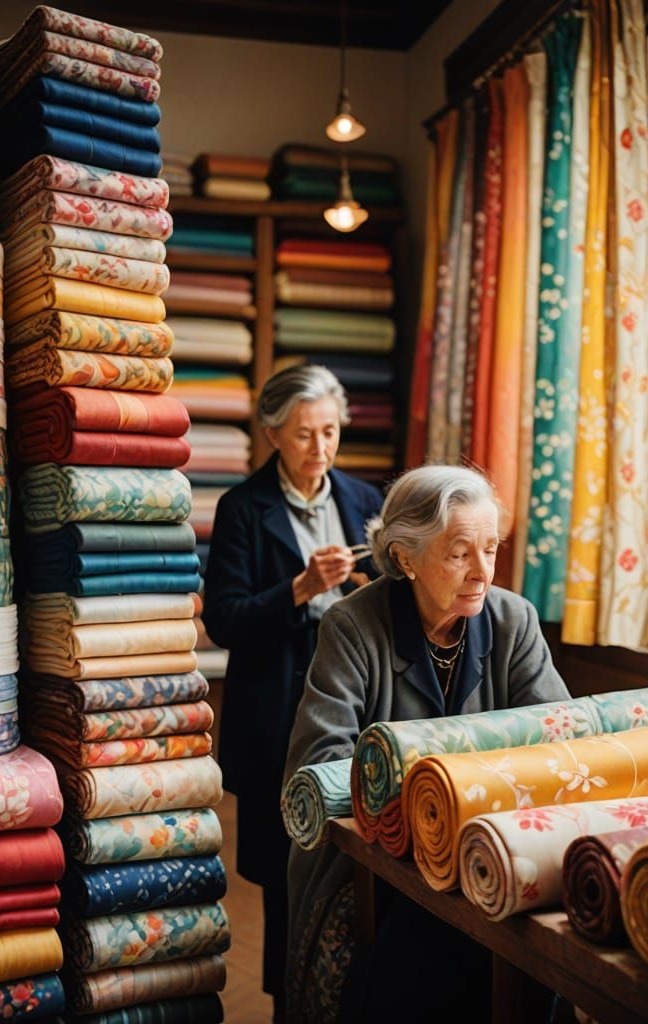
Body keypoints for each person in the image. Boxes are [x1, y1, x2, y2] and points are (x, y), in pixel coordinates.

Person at [282, 464, 571, 1022]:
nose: (483, 571)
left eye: (491, 548)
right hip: (378, 859)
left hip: (493, 843)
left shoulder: (514, 620)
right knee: (422, 952)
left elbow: (560, 742)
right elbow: (318, 763)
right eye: (460, 552)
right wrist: (434, 800)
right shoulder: (352, 626)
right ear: (406, 557)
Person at [202, 364, 384, 1022]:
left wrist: (361, 591)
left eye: (330, 432)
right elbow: (224, 619)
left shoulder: (364, 500)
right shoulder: (243, 508)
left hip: (359, 708)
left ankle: (349, 997)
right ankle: (289, 1005)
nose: (320, 448)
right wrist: (301, 590)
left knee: (362, 864)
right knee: (286, 879)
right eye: (304, 434)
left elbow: (393, 601)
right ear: (273, 434)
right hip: (276, 714)